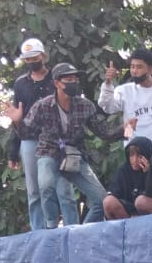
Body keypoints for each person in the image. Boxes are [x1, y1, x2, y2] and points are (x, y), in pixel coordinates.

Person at [14, 62, 123, 228]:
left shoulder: (85, 105)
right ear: (56, 83)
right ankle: (51, 227)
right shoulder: (43, 105)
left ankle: (81, 233)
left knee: (102, 200)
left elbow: (104, 132)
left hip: (74, 155)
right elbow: (25, 134)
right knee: (46, 185)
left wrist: (123, 129)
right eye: (68, 80)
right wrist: (17, 122)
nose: (73, 83)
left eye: (75, 79)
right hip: (48, 152)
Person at [5, 38, 56, 230]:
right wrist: (13, 151)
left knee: (52, 185)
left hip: (54, 138)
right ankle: (38, 230)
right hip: (29, 138)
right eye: (28, 59)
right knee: (33, 188)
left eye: (34, 58)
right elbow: (17, 117)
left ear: (43, 56)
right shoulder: (21, 84)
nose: (32, 62)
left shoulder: (55, 78)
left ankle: (54, 225)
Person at [98, 47, 152, 152]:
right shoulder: (124, 90)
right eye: (132, 67)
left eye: (139, 67)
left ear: (150, 70)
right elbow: (107, 107)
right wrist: (108, 83)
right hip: (136, 153)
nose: (134, 71)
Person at [101, 136, 152, 220]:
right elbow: (114, 193)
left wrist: (148, 174)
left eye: (139, 156)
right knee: (108, 201)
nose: (134, 160)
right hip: (127, 215)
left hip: (149, 214)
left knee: (142, 202)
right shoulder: (123, 171)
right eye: (131, 155)